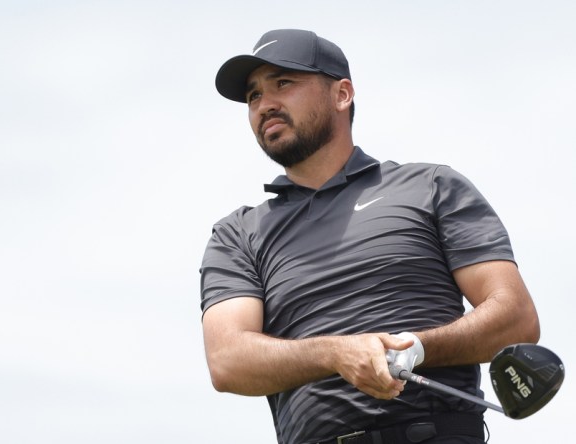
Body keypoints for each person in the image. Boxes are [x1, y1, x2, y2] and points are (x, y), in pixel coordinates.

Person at [199, 29, 540, 444]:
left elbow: (516, 318)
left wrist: (416, 348)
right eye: (253, 96)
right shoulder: (237, 234)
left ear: (342, 94)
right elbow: (228, 360)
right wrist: (335, 353)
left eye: (283, 83)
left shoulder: (431, 186)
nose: (264, 105)